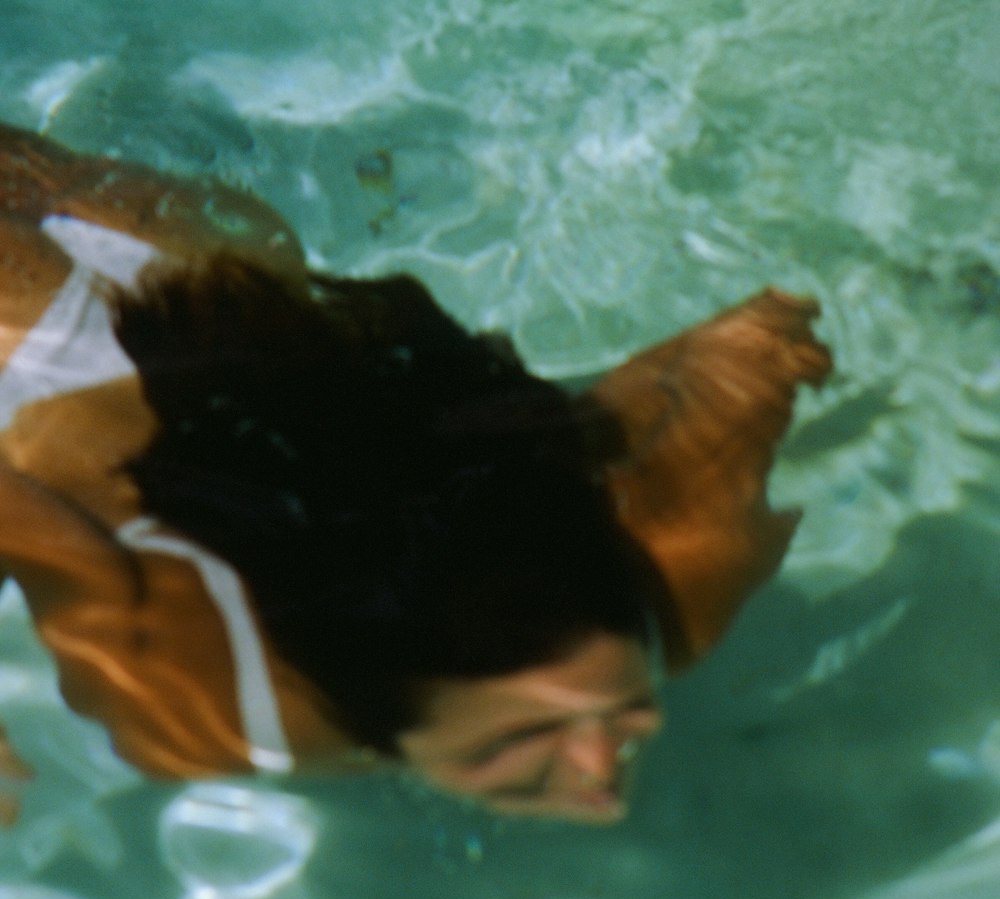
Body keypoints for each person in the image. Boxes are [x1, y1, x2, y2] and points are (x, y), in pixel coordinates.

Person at [0, 121, 831, 822]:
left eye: (518, 743)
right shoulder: (196, 716)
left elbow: (737, 347)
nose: (602, 782)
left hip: (233, 271)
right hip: (30, 355)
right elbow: (45, 532)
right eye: (516, 744)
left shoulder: (675, 587)